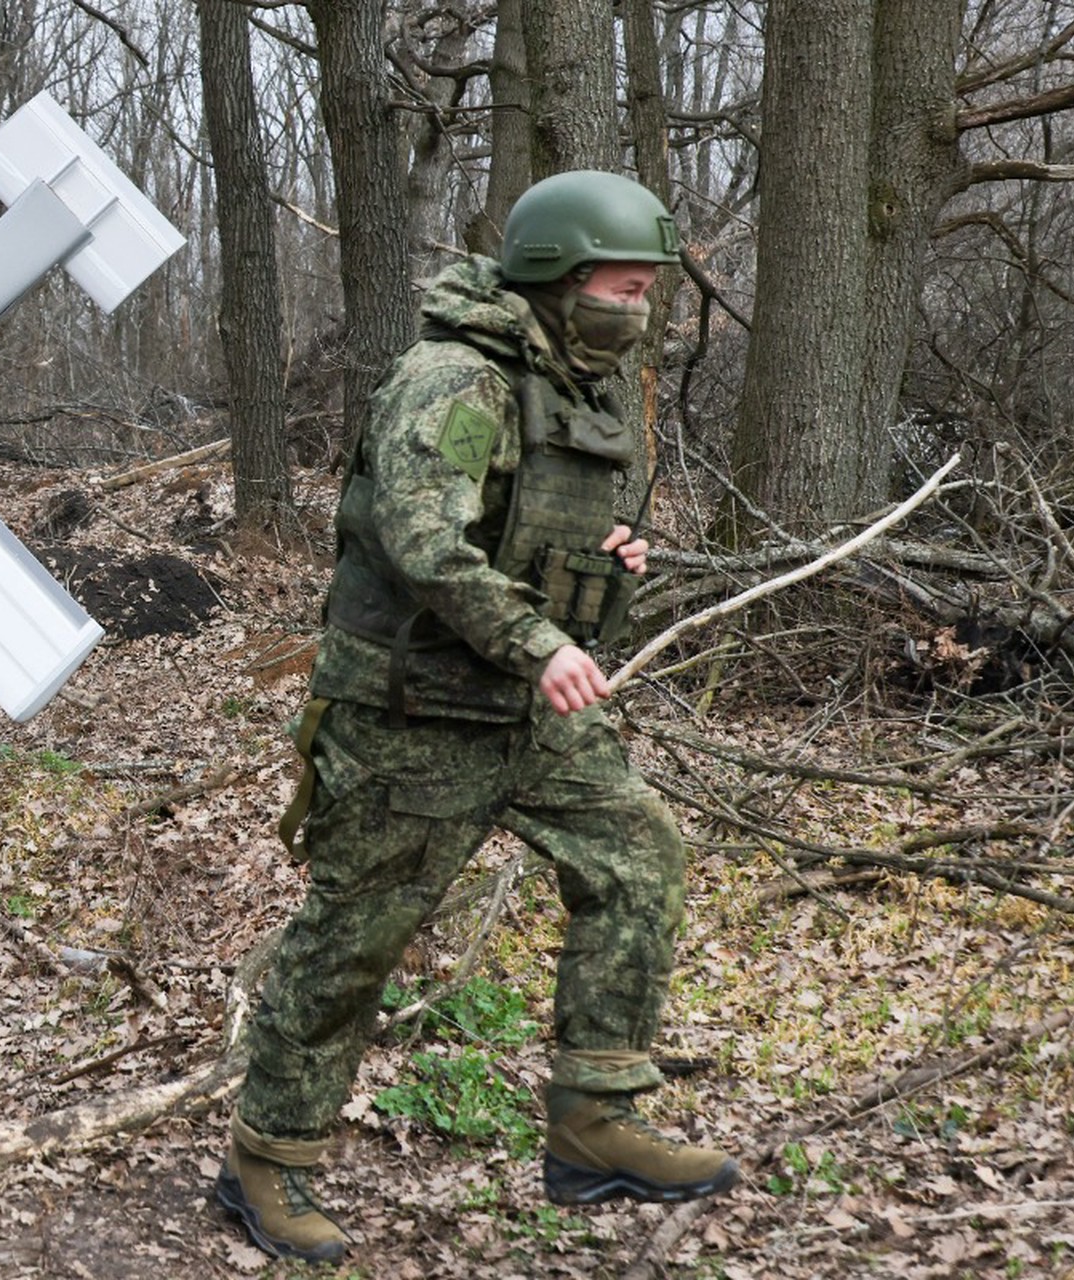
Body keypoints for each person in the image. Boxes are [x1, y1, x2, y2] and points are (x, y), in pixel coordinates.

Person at [215, 171, 739, 1263]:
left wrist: (606, 572)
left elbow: (531, 533)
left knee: (637, 855)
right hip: (412, 712)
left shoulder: (586, 385)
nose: (636, 309)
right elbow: (422, 539)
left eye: (650, 293)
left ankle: (595, 1116)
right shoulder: (454, 376)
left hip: (522, 706)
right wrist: (542, 640)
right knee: (352, 942)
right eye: (620, 286)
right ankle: (267, 1160)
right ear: (554, 274)